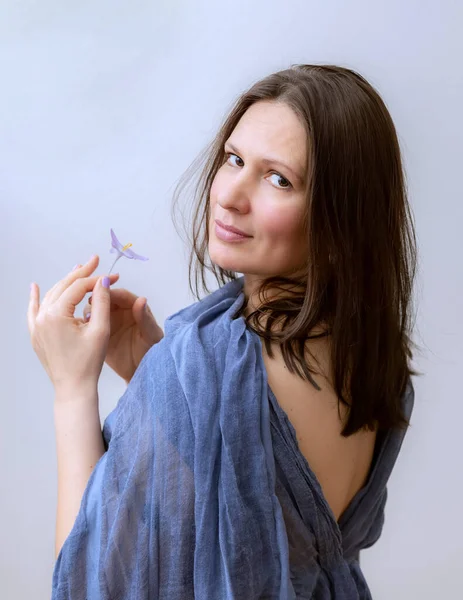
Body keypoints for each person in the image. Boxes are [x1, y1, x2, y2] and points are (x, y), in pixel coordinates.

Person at [27, 64, 418, 599]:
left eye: (279, 178)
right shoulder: (373, 354)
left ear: (339, 218)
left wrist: (73, 387)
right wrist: (156, 379)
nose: (231, 195)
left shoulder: (207, 364)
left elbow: (94, 584)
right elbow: (265, 511)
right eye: (234, 159)